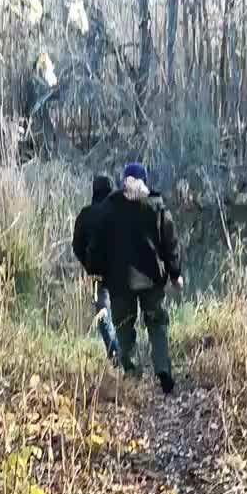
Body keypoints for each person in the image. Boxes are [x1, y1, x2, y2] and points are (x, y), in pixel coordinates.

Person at [94, 162, 183, 396]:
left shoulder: (109, 208)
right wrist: (175, 274)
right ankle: (163, 369)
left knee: (124, 329)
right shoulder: (156, 206)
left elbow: (98, 245)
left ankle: (132, 375)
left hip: (120, 282)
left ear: (124, 181)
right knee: (157, 324)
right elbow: (170, 243)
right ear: (145, 181)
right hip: (152, 280)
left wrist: (99, 272)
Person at [72, 174, 120, 364]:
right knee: (123, 312)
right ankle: (126, 351)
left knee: (103, 313)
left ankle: (114, 352)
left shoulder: (85, 215)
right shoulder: (119, 213)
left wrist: (88, 264)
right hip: (120, 272)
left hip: (97, 274)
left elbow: (76, 246)